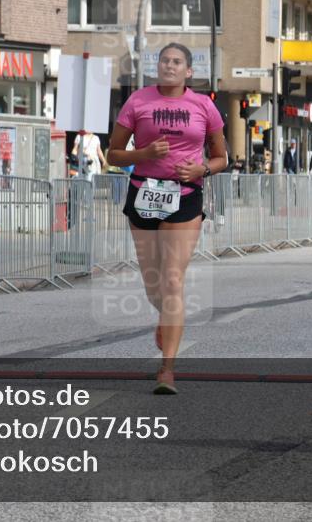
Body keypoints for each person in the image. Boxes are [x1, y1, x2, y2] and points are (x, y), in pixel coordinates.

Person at [107, 43, 228, 394]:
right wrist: (143, 153)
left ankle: (167, 370)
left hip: (185, 197)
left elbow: (222, 157)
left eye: (176, 62)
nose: (169, 66)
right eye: (164, 61)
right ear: (156, 67)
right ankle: (166, 318)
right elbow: (113, 154)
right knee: (153, 285)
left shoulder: (203, 106)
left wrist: (202, 169)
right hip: (143, 193)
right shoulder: (138, 102)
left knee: (173, 279)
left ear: (188, 71)